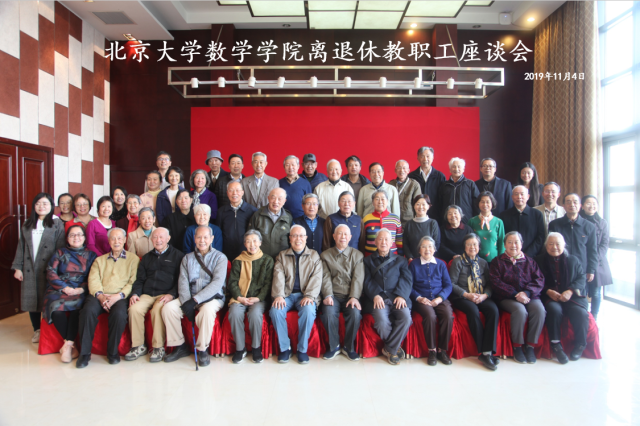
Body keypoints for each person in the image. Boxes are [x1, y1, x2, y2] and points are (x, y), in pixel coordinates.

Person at [162, 226, 228, 367]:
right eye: (199, 237)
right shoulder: (187, 258)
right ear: (194, 239)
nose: (202, 240)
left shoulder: (220, 258)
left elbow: (217, 284)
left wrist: (195, 301)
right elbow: (183, 282)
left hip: (212, 298)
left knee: (207, 311)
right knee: (169, 308)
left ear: (211, 239)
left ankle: (202, 349)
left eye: (205, 237)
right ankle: (179, 346)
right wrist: (187, 302)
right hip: (190, 296)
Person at [76, 228, 140, 368]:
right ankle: (84, 354)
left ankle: (112, 352)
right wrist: (101, 296)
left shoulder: (133, 259)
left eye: (119, 238)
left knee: (119, 314)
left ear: (124, 240)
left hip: (120, 296)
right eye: (113, 238)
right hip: (100, 295)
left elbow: (133, 282)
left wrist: (118, 296)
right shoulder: (99, 260)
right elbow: (93, 280)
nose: (116, 241)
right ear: (109, 241)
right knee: (87, 311)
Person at [12, 193, 66, 343]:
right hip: (30, 267)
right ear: (34, 206)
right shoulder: (27, 223)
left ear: (51, 206)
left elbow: (60, 248)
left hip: (48, 267)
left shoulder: (57, 223)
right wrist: (18, 267)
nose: (41, 206)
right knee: (32, 299)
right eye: (38, 203)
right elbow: (21, 246)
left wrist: (58, 269)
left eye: (45, 203)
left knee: (45, 299)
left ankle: (47, 330)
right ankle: (36, 329)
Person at [125, 228, 184, 363]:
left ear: (168, 238)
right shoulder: (146, 258)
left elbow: (181, 280)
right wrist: (135, 293)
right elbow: (139, 280)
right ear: (151, 239)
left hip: (165, 294)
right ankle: (138, 346)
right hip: (147, 294)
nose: (158, 240)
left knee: (157, 310)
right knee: (134, 309)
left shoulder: (178, 256)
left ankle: (158, 347)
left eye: (161, 237)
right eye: (155, 237)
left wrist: (171, 294)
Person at [489, 231, 546, 364]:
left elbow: (539, 279)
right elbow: (495, 282)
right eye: (510, 242)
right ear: (504, 245)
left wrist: (526, 293)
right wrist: (515, 293)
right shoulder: (497, 261)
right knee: (520, 311)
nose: (513, 245)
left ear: (522, 244)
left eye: (516, 242)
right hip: (507, 297)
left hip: (529, 295)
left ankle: (530, 346)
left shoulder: (530, 261)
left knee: (539, 310)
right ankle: (517, 346)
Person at [44, 224, 97, 363]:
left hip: (81, 288)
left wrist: (82, 289)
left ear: (84, 238)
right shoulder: (59, 253)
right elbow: (51, 271)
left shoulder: (91, 255)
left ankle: (67, 346)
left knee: (78, 308)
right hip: (59, 288)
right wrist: (64, 288)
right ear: (67, 238)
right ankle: (69, 345)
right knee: (55, 307)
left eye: (79, 234)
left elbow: (94, 276)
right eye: (72, 235)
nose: (76, 238)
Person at [270, 225, 322, 364]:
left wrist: (309, 296)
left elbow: (317, 278)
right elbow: (278, 276)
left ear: (306, 238)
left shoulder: (314, 255)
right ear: (290, 239)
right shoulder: (282, 255)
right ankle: (285, 348)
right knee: (275, 310)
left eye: (301, 236)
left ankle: (302, 349)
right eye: (294, 236)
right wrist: (279, 295)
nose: (298, 239)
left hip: (305, 295)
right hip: (286, 295)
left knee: (309, 310)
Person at [536, 232, 589, 363]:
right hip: (550, 296)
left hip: (572, 296)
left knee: (580, 312)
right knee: (554, 310)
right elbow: (534, 280)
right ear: (546, 246)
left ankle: (580, 344)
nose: (554, 247)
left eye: (558, 244)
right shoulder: (538, 260)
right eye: (551, 244)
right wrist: (547, 291)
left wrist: (570, 291)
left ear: (564, 245)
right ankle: (556, 345)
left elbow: (581, 278)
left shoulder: (573, 260)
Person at [449, 234, 500, 370]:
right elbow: (451, 284)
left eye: (475, 244)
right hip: (462, 296)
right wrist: (467, 295)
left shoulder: (483, 263)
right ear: (464, 247)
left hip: (480, 295)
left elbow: (489, 284)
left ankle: (487, 352)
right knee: (473, 310)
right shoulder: (457, 262)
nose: (472, 247)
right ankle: (484, 352)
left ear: (479, 247)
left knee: (493, 310)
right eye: (469, 244)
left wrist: (484, 296)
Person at [362, 228, 412, 366]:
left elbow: (407, 279)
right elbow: (366, 280)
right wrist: (375, 295)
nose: (383, 242)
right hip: (378, 299)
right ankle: (394, 349)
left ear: (391, 243)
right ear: (375, 242)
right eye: (380, 239)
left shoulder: (401, 260)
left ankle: (389, 349)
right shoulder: (367, 261)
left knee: (406, 318)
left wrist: (401, 295)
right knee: (381, 320)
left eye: (386, 240)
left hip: (397, 298)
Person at [227, 230, 274, 364]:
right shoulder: (239, 260)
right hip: (241, 297)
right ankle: (240, 349)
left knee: (255, 314)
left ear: (260, 242)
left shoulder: (267, 260)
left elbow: (268, 283)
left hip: (259, 299)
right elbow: (232, 282)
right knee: (234, 312)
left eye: (254, 241)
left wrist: (258, 298)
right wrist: (239, 297)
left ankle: (256, 348)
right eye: (248, 241)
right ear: (244, 244)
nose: (252, 244)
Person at [320, 224, 364, 361]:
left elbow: (358, 278)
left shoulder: (357, 255)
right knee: (328, 313)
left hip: (350, 296)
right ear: (334, 236)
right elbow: (325, 278)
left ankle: (349, 347)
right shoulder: (325, 255)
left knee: (355, 314)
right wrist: (328, 295)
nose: (343, 237)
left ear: (350, 237)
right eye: (339, 233)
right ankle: (334, 346)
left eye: (346, 234)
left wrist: (354, 297)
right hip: (333, 295)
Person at [409, 236, 454, 366]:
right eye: (423, 246)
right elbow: (409, 286)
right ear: (419, 250)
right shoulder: (414, 264)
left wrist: (440, 298)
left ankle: (442, 350)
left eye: (430, 246)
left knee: (448, 315)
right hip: (422, 299)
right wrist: (419, 298)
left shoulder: (441, 264)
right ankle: (432, 350)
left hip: (439, 298)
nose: (427, 249)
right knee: (430, 315)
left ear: (434, 249)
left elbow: (448, 285)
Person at [549, 194, 598, 288]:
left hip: (581, 268)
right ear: (563, 206)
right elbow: (550, 247)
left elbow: (592, 250)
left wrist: (591, 270)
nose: (572, 205)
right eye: (568, 202)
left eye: (575, 202)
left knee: (579, 295)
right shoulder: (554, 225)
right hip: (559, 267)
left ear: (580, 205)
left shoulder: (589, 226)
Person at [579, 195, 613, 320]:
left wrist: (594, 258)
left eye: (594, 203)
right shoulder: (578, 220)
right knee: (581, 291)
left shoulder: (602, 222)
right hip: (581, 260)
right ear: (582, 206)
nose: (592, 206)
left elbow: (605, 243)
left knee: (596, 292)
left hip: (598, 261)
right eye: (588, 203)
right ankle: (582, 316)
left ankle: (594, 317)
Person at [216, 181, 257, 261]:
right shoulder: (221, 211)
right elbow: (218, 233)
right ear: (227, 193)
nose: (234, 193)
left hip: (246, 252)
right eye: (231, 190)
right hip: (226, 253)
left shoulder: (252, 211)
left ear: (242, 192)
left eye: (237, 190)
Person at [500, 186, 546, 257]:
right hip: (509, 255)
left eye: (522, 194)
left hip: (532, 256)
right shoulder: (504, 215)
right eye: (516, 194)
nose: (519, 197)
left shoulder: (537, 214)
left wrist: (528, 253)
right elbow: (502, 236)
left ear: (528, 196)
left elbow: (540, 237)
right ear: (512, 197)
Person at [248, 188, 293, 259]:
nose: (276, 202)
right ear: (268, 198)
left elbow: (292, 240)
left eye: (280, 199)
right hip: (261, 259)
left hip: (282, 260)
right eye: (273, 198)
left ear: (284, 201)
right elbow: (250, 238)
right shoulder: (257, 215)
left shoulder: (288, 217)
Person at [360, 190, 403, 257]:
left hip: (392, 257)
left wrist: (400, 256)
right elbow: (363, 241)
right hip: (370, 257)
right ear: (373, 202)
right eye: (377, 199)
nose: (380, 202)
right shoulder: (366, 219)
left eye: (383, 199)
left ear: (387, 201)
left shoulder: (395, 219)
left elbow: (399, 240)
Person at [407, 147, 446, 220]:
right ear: (418, 158)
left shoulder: (440, 176)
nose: (425, 159)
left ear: (433, 158)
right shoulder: (411, 176)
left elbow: (443, 198)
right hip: (416, 216)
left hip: (435, 216)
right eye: (422, 156)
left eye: (428, 156)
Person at [437, 157, 480, 224]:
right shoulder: (444, 185)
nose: (456, 169)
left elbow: (477, 204)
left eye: (459, 167)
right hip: (447, 222)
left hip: (466, 221)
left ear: (463, 169)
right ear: (450, 169)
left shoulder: (470, 184)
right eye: (454, 167)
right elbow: (439, 205)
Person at [467, 192, 505, 262]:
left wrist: (501, 260)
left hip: (494, 260)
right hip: (475, 260)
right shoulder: (472, 221)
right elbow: (467, 241)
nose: (485, 204)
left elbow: (502, 242)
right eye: (482, 202)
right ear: (478, 203)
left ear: (492, 203)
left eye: (488, 202)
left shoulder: (498, 222)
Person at [403, 194, 440, 263]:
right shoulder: (409, 224)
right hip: (413, 261)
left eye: (423, 204)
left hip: (429, 260)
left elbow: (436, 243)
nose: (420, 207)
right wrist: (410, 257)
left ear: (428, 206)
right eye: (418, 204)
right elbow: (405, 243)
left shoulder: (433, 223)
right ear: (414, 206)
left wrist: (428, 257)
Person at [389, 159, 422, 225]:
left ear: (408, 170)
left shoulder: (414, 185)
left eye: (404, 168)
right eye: (399, 168)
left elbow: (418, 204)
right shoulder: (390, 184)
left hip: (409, 222)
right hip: (393, 220)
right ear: (395, 170)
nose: (402, 170)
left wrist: (418, 220)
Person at [279, 155, 312, 219]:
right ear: (284, 167)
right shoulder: (279, 183)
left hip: (300, 219)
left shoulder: (305, 183)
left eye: (293, 165)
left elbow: (309, 202)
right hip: (283, 219)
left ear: (298, 166)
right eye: (287, 165)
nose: (290, 167)